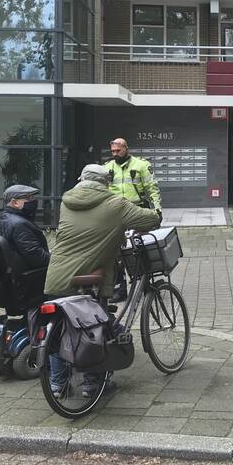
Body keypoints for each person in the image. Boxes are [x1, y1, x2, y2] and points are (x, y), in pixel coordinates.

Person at [44, 164, 161, 397]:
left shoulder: (66, 202)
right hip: (88, 280)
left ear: (82, 179)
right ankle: (94, 384)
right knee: (95, 331)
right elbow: (149, 221)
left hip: (56, 277)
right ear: (105, 182)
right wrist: (156, 212)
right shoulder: (116, 204)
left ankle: (57, 384)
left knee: (60, 331)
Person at [0, 185, 49, 272]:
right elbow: (37, 258)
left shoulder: (5, 217)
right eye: (29, 198)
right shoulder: (20, 224)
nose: (34, 201)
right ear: (15, 203)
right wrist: (58, 261)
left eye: (33, 197)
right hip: (28, 277)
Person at [105, 138, 162, 211]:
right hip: (115, 209)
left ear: (126, 149)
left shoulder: (141, 165)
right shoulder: (107, 167)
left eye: (118, 150)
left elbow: (152, 189)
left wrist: (157, 209)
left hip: (137, 207)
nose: (115, 154)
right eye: (113, 151)